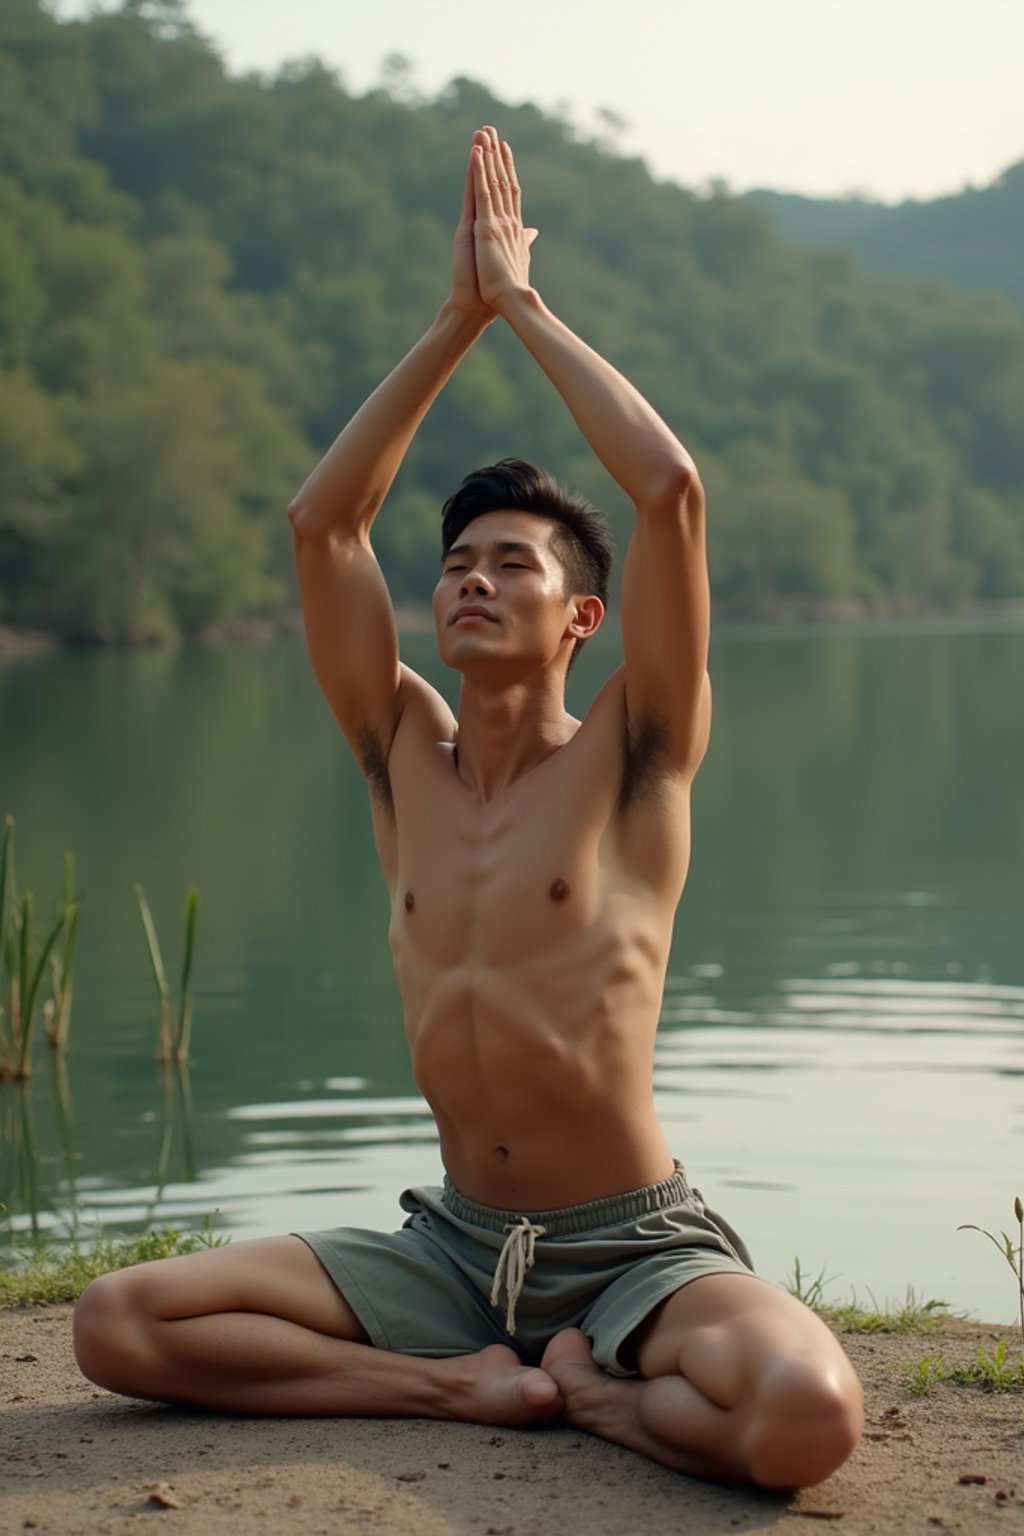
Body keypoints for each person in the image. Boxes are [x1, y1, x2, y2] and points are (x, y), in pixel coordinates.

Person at [74, 127, 863, 1488]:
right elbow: (323, 525)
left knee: (808, 1416)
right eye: (455, 566)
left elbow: (670, 491)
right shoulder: (399, 754)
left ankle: (607, 1403)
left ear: (584, 620)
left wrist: (524, 306)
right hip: (449, 1246)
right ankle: (457, 1393)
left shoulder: (638, 751)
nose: (471, 582)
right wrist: (452, 319)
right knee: (120, 1322)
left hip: (634, 1249)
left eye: (512, 564)